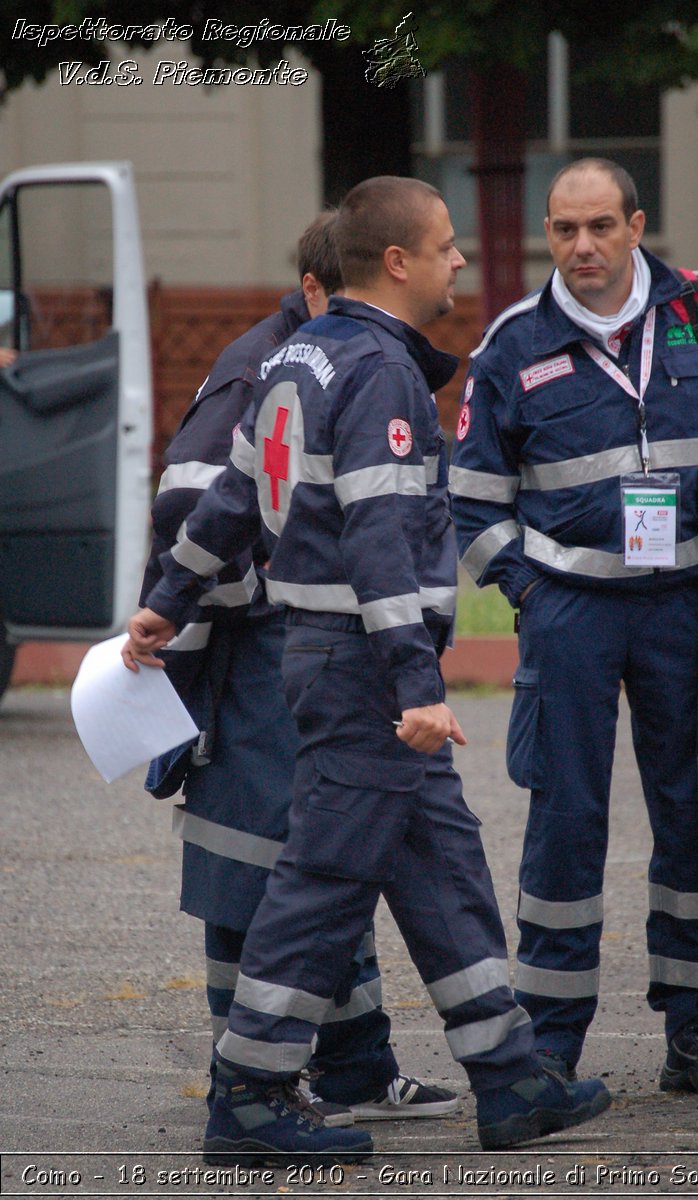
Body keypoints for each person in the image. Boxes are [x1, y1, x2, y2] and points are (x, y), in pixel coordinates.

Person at [123, 175, 611, 1163]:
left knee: (442, 861)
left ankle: (509, 1074)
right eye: (446, 245)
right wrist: (419, 687)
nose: (460, 260)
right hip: (362, 666)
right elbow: (381, 542)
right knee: (323, 880)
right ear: (397, 261)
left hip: (326, 656)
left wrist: (165, 602)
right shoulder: (381, 372)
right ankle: (251, 1094)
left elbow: (229, 496)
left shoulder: (301, 352)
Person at [449, 157, 698, 1097]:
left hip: (690, 606)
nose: (581, 247)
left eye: (599, 226)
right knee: (564, 823)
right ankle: (549, 1045)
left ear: (636, 225)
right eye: (562, 229)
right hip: (572, 616)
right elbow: (470, 501)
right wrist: (528, 592)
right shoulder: (512, 344)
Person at [139, 210, 460, 1126]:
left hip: (300, 641)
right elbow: (196, 508)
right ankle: (253, 1078)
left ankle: (354, 1067)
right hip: (261, 653)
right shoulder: (268, 365)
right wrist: (277, 589)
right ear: (322, 289)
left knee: (330, 857)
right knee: (261, 871)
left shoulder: (311, 357)